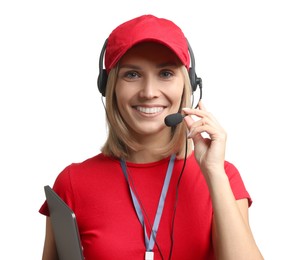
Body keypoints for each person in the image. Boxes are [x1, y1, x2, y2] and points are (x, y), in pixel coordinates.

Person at [39, 14, 263, 260]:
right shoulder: (72, 183)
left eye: (165, 73)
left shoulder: (222, 176)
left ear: (188, 84)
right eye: (132, 75)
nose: (148, 92)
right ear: (108, 86)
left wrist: (214, 174)